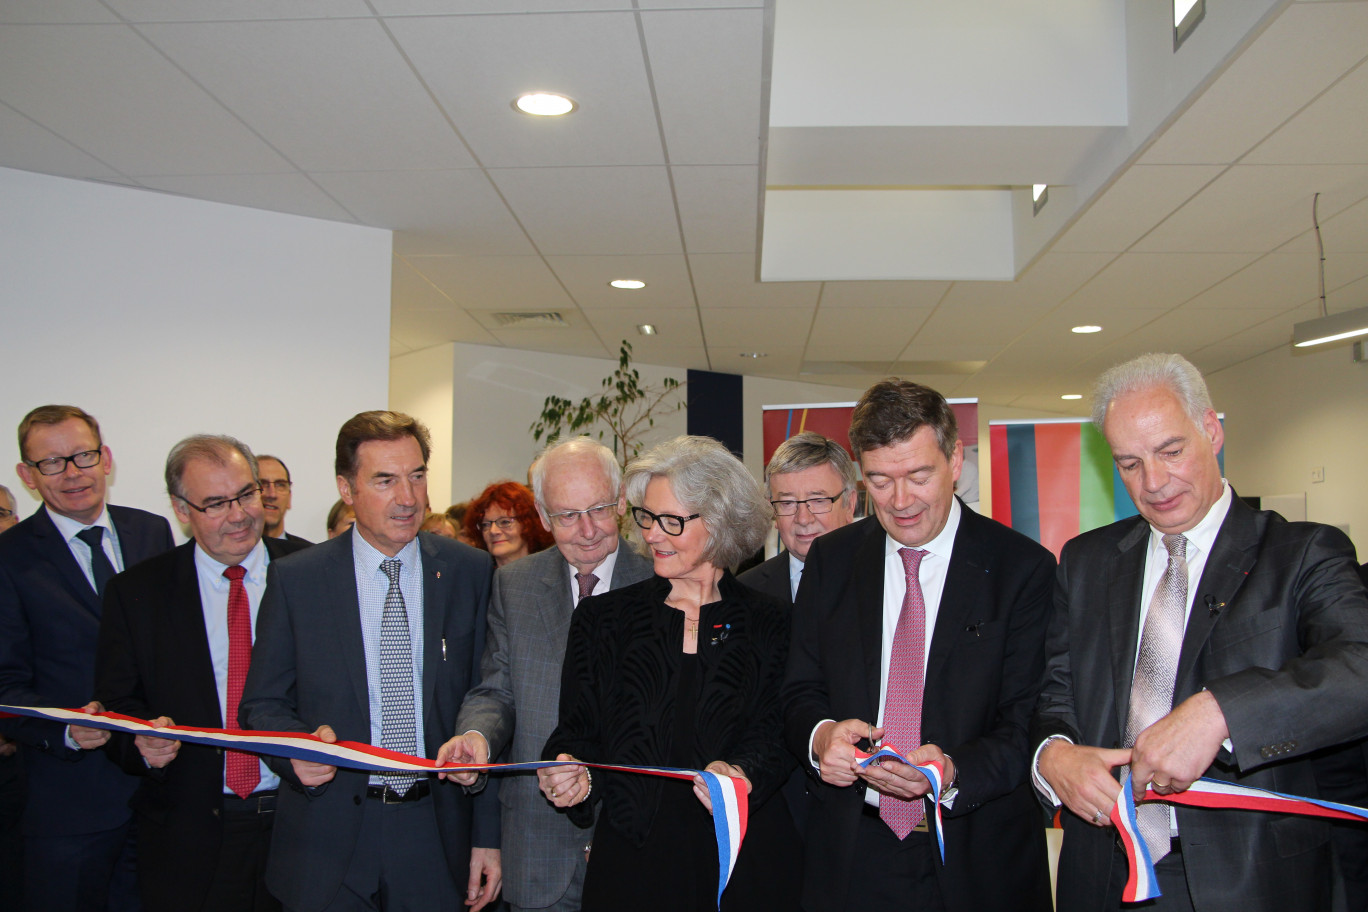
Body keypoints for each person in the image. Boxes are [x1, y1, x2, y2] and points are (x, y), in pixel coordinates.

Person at [1032, 353, 1368, 912]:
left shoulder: (1303, 553)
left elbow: (1359, 667)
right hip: (1102, 874)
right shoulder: (1087, 561)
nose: (1154, 482)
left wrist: (1221, 713)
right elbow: (1054, 695)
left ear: (1211, 430)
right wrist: (1054, 754)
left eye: (1171, 451)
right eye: (1130, 463)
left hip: (1254, 880)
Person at [782, 379, 1055, 912]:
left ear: (955, 461)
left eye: (918, 476)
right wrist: (821, 738)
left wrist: (950, 770)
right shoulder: (832, 562)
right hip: (851, 854)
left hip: (976, 854)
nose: (900, 501)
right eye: (880, 481)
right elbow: (799, 691)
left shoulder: (1022, 568)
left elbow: (1028, 720)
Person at [240, 410, 501, 912]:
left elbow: (487, 698)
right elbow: (262, 705)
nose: (408, 498)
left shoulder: (469, 570)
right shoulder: (299, 579)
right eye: (385, 480)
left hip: (436, 832)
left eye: (417, 476)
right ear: (346, 488)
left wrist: (487, 835)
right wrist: (293, 751)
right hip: (328, 836)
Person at [538, 435, 800, 912]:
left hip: (742, 864)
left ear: (719, 523)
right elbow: (578, 733)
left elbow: (779, 733)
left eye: (671, 521)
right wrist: (573, 773)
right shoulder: (604, 620)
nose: (652, 534)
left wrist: (740, 772)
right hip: (632, 870)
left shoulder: (773, 622)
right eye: (647, 517)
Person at [93, 435, 309, 912]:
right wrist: (141, 743)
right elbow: (116, 707)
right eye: (215, 503)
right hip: (189, 832)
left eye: (246, 494)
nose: (238, 514)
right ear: (181, 509)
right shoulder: (137, 593)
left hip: (303, 825)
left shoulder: (314, 574)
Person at [447, 437, 653, 912]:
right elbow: (496, 689)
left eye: (598, 509)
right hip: (538, 846)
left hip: (634, 844)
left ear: (622, 501)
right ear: (541, 516)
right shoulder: (513, 585)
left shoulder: (660, 583)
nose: (585, 531)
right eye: (566, 516)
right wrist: (476, 736)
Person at [0, 404, 174, 911]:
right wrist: (64, 729)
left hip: (160, 793)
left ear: (107, 459)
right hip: (65, 808)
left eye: (83, 455)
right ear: (27, 476)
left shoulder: (152, 533)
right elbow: (4, 684)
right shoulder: (9, 558)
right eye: (52, 463)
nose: (73, 472)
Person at [739, 431, 857, 605]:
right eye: (787, 503)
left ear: (850, 505)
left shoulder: (882, 578)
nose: (803, 518)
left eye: (818, 500)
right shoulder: (744, 592)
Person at [464, 481, 552, 568]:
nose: (493, 531)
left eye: (504, 522)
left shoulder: (551, 573)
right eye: (485, 525)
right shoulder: (476, 578)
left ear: (528, 524)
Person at [256, 455, 311, 545]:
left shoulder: (310, 554)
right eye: (262, 484)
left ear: (289, 497)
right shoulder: (229, 554)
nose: (272, 494)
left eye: (280, 485)